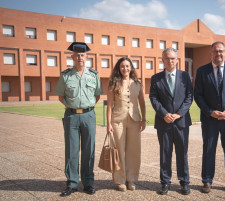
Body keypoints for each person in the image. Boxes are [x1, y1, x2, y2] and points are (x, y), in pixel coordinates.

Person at [194, 41, 225, 194]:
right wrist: (210, 111)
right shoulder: (202, 71)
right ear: (211, 53)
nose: (219, 54)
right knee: (208, 150)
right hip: (210, 119)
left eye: (221, 51)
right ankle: (207, 181)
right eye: (216, 51)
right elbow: (198, 95)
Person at [54, 42, 103, 197]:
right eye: (77, 55)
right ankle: (72, 183)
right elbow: (60, 97)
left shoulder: (93, 75)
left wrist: (86, 108)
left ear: (86, 57)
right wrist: (73, 107)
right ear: (72, 57)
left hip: (89, 116)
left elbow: (97, 95)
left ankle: (88, 183)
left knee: (89, 150)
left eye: (82, 55)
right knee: (71, 150)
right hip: (72, 116)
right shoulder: (66, 75)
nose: (80, 58)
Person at [149, 47, 193, 195]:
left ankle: (184, 182)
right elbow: (153, 98)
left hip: (181, 122)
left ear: (177, 59)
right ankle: (165, 182)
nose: (170, 61)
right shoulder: (156, 78)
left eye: (173, 58)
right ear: (162, 60)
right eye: (167, 58)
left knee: (182, 153)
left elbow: (189, 97)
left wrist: (179, 114)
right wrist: (164, 114)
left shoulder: (185, 76)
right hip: (164, 122)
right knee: (165, 153)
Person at [107, 57, 146, 192]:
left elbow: (142, 101)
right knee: (119, 151)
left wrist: (144, 119)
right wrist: (108, 124)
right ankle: (120, 180)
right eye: (122, 66)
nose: (125, 68)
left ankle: (131, 179)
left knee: (133, 151)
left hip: (135, 120)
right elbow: (109, 105)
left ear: (131, 67)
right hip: (118, 120)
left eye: (127, 66)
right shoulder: (114, 83)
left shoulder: (137, 83)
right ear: (119, 68)